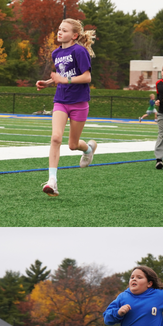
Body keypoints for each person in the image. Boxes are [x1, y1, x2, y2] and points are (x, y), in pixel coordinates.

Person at [35, 18, 97, 197]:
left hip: (79, 103)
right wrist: (48, 83)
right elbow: (62, 75)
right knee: (55, 138)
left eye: (65, 30)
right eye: (59, 29)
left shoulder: (79, 51)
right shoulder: (56, 53)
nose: (59, 32)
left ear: (74, 35)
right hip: (61, 100)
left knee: (72, 144)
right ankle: (52, 182)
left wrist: (65, 80)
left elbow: (86, 77)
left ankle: (89, 149)